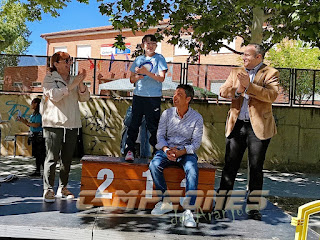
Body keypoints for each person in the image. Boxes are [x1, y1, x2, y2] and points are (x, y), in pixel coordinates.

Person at [217, 44, 279, 220]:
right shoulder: (236, 72)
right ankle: (220, 206)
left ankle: (253, 208)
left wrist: (249, 86)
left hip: (258, 128)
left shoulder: (271, 73)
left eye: (247, 55)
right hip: (236, 126)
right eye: (243, 55)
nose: (243, 58)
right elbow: (223, 91)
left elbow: (271, 96)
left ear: (259, 57)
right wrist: (238, 90)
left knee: (256, 168)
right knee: (229, 167)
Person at [149, 84, 203, 228]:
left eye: (179, 94)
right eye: (175, 93)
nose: (175, 97)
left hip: (185, 151)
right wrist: (166, 150)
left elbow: (196, 144)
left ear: (188, 99)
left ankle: (189, 210)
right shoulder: (167, 114)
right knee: (154, 165)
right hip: (167, 149)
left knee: (192, 169)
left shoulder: (197, 118)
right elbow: (159, 136)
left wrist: (181, 151)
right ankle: (165, 201)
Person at [41, 51, 90, 203]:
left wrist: (81, 81)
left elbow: (85, 98)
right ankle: (48, 190)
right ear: (56, 64)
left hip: (72, 124)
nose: (69, 64)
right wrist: (74, 84)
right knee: (51, 158)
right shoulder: (49, 78)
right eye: (66, 61)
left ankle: (63, 187)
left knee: (67, 159)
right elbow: (55, 96)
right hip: (53, 124)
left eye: (70, 61)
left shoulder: (74, 79)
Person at [124, 34, 168, 161]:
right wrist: (138, 76)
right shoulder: (138, 59)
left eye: (153, 43)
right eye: (147, 43)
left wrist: (146, 73)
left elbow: (161, 78)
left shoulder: (159, 58)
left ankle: (157, 152)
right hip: (138, 96)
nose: (150, 46)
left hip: (153, 97)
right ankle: (129, 150)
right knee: (134, 124)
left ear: (156, 45)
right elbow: (131, 79)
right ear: (143, 45)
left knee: (153, 126)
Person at [17, 98, 45, 177]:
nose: (31, 104)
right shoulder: (34, 114)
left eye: (32, 103)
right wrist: (23, 120)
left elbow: (37, 124)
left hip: (39, 135)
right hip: (34, 134)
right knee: (36, 154)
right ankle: (38, 171)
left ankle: (45, 172)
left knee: (41, 154)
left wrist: (28, 123)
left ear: (36, 104)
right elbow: (30, 124)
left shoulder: (40, 114)